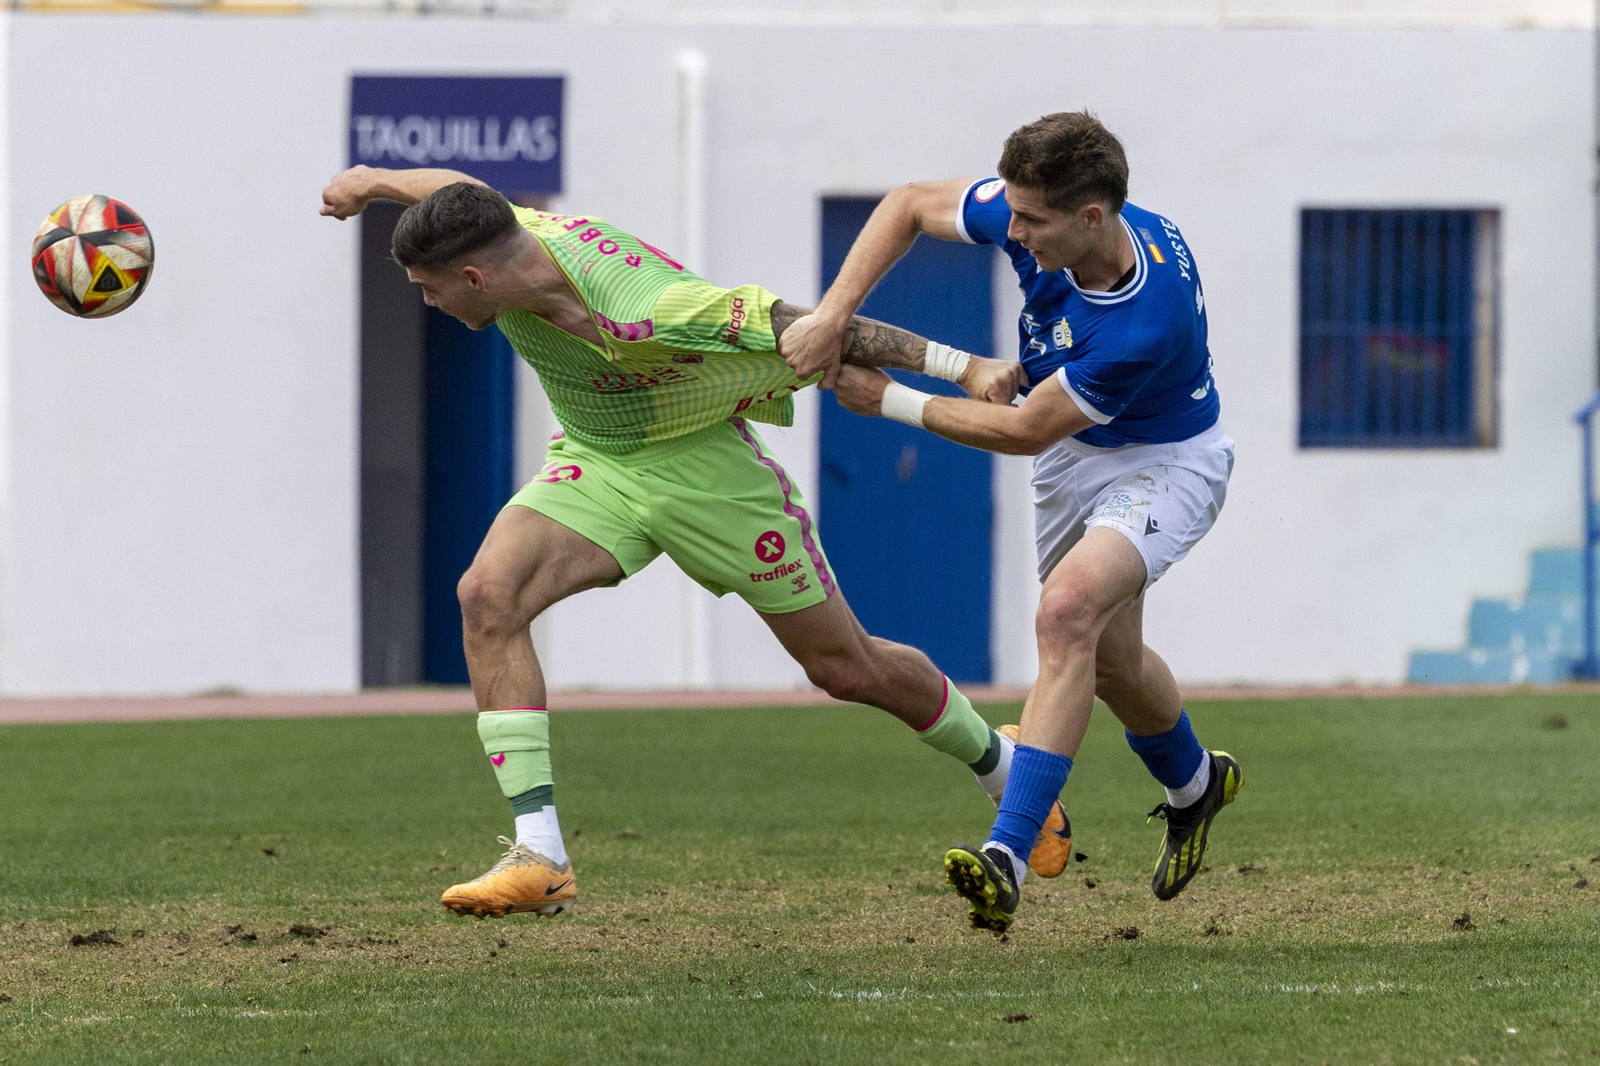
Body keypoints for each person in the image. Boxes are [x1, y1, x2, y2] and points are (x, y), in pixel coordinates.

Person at [317, 164, 1072, 918]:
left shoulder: (651, 308)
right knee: (487, 595)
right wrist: (372, 181)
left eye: (430, 288)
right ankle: (541, 854)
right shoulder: (505, 232)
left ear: (476, 279)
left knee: (847, 668)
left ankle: (1004, 769)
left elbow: (810, 328)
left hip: (709, 473)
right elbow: (454, 187)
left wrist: (965, 367)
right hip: (600, 460)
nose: (428, 300)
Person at [779, 112, 1241, 935]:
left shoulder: (1146, 318)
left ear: (1092, 218)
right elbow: (910, 202)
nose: (1013, 231)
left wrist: (889, 399)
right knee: (1111, 663)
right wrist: (831, 314)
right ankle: (1196, 783)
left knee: (1066, 613)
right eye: (1012, 213)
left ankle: (1009, 855)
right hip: (1077, 447)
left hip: (1166, 459)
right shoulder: (1048, 219)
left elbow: (1028, 431)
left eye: (1031, 221)